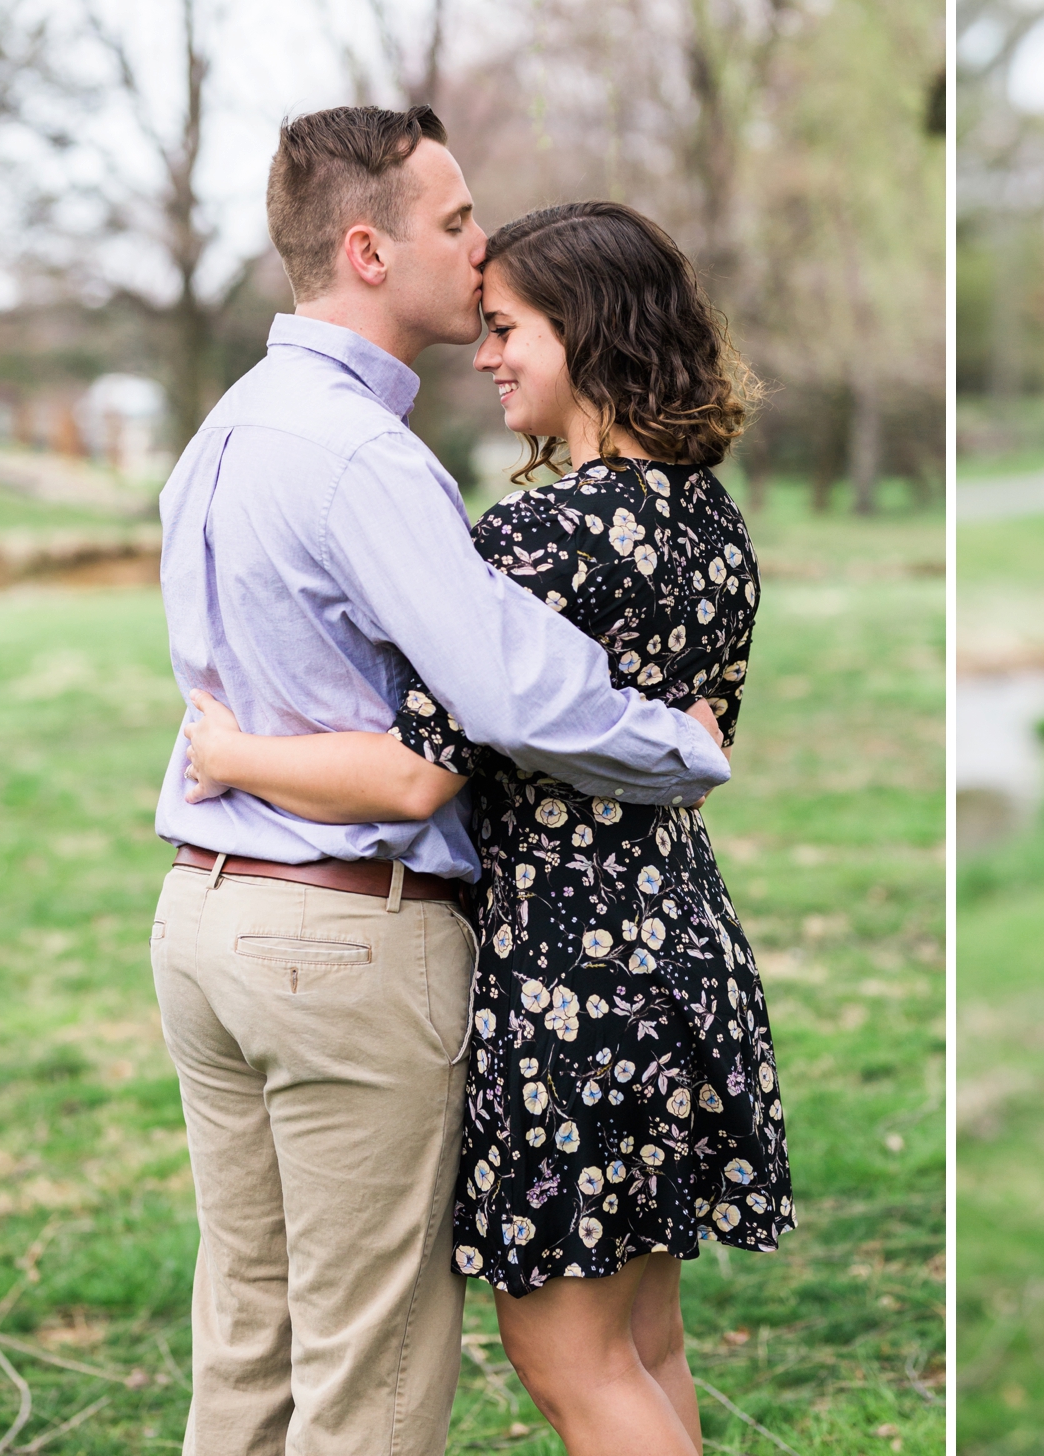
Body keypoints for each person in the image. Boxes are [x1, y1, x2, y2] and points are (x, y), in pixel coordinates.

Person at [152, 110, 731, 1456]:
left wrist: (236, 764)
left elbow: (224, 695)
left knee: (250, 1341)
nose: (480, 255)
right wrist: (681, 745)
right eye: (457, 222)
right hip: (343, 940)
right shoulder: (364, 457)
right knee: (367, 1375)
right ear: (369, 249)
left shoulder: (223, 432)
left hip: (204, 918)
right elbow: (510, 694)